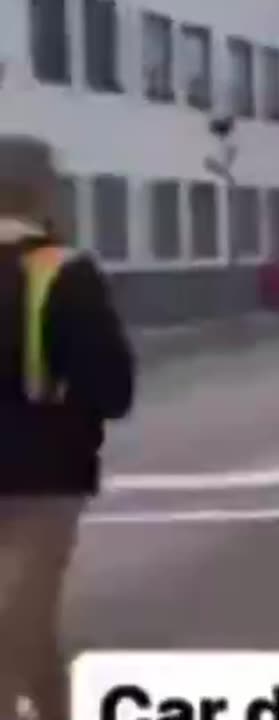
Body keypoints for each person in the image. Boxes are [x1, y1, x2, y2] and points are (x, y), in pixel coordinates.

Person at [0, 136, 135, 720]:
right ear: (39, 192)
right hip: (42, 473)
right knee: (21, 617)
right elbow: (112, 390)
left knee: (24, 622)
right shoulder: (63, 273)